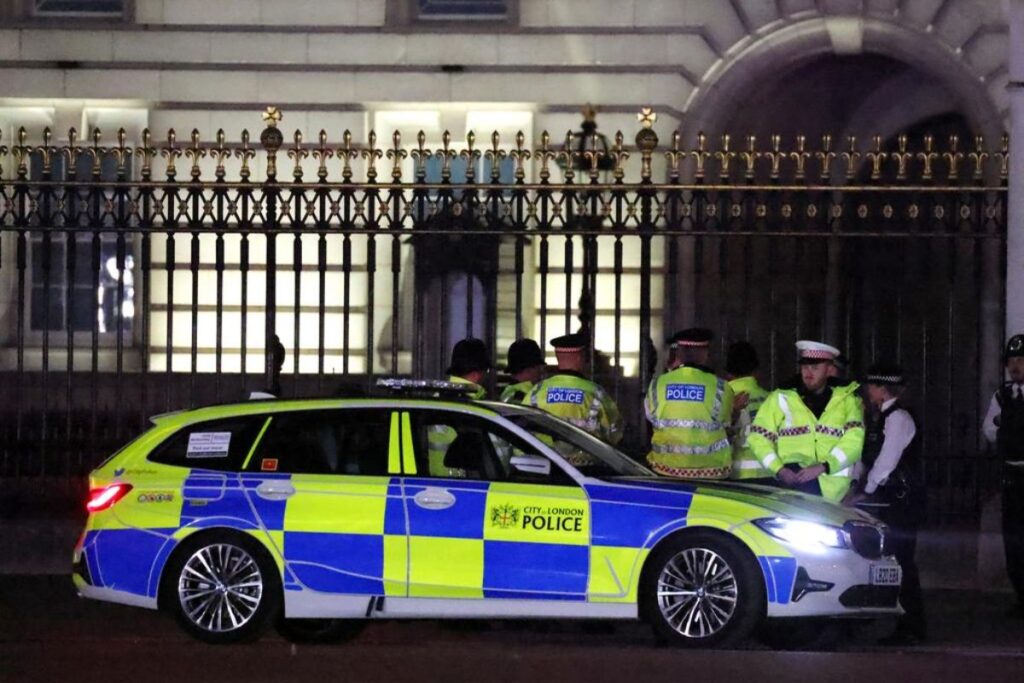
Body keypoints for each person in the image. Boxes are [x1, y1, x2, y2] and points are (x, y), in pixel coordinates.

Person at [846, 362, 926, 644]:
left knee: (902, 561)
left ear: (882, 388)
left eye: (871, 385)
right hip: (883, 500)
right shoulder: (877, 417)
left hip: (899, 502)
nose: (868, 390)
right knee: (883, 559)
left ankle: (912, 626)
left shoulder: (898, 418)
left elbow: (886, 462)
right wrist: (858, 484)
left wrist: (866, 489)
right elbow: (864, 456)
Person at [748, 340, 864, 502]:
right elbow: (758, 437)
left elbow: (854, 441)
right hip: (794, 482)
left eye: (815, 368)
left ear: (829, 369)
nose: (808, 373)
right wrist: (779, 469)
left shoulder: (847, 400)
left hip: (835, 490)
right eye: (804, 367)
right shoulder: (781, 397)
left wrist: (823, 466)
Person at [645, 328, 734, 479]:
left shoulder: (657, 384)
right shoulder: (721, 387)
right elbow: (726, 422)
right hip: (711, 472)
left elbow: (650, 417)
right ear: (705, 355)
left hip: (665, 469)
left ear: (678, 353)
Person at [982, 333, 1024, 615]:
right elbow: (989, 430)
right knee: (1013, 539)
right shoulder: (1002, 395)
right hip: (1012, 475)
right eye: (1011, 361)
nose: (1015, 367)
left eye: (1020, 361)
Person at [525, 332, 623, 449]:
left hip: (545, 462)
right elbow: (615, 432)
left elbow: (523, 427)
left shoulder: (536, 392)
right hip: (584, 465)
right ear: (579, 358)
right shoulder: (595, 393)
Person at [428, 338, 491, 477]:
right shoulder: (471, 406)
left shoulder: (434, 398)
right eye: (485, 371)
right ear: (476, 373)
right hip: (462, 483)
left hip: (430, 481)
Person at [725, 341, 772, 481]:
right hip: (769, 475)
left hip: (734, 476)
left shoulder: (721, 399)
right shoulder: (771, 399)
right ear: (756, 370)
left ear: (727, 372)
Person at [500, 338, 546, 404]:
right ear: (529, 369)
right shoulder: (522, 396)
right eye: (538, 367)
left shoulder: (509, 392)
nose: (541, 372)